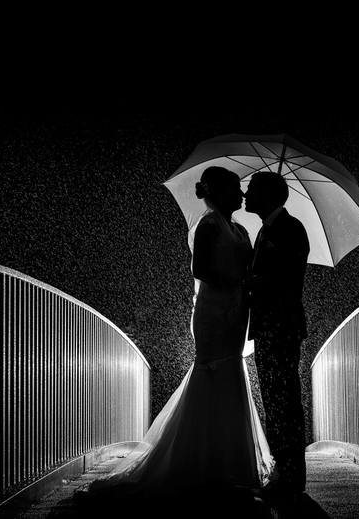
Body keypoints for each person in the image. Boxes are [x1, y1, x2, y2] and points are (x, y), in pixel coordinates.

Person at [75, 166, 274, 516]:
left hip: (235, 311)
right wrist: (236, 280)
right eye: (235, 188)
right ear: (219, 193)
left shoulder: (241, 229)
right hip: (215, 310)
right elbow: (200, 269)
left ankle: (223, 464)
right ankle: (201, 463)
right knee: (213, 371)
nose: (242, 194)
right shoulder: (209, 225)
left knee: (229, 373)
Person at [243, 171, 310, 503]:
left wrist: (251, 281)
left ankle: (291, 477)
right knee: (276, 400)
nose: (246, 192)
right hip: (271, 329)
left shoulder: (289, 229)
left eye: (253, 189)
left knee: (283, 402)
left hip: (281, 329)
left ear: (268, 194)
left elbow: (286, 279)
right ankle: (286, 473)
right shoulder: (267, 230)